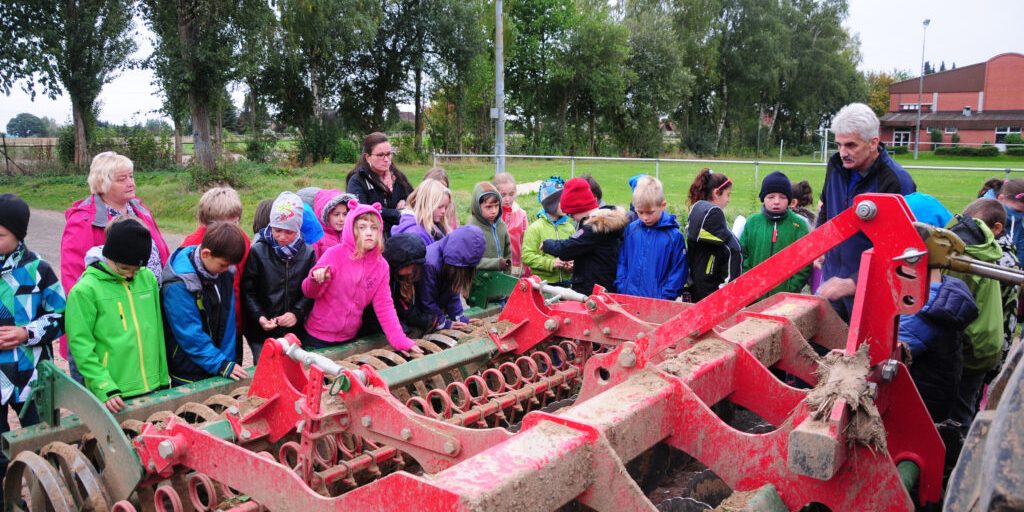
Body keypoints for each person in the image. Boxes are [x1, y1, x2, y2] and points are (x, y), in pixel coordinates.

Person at [60, 151, 170, 361]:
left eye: (131, 176)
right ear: (103, 183)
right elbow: (75, 279)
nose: (131, 183)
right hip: (114, 313)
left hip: (147, 303)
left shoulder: (139, 209)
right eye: (122, 179)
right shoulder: (84, 221)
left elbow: (160, 252)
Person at [816, 103, 916, 321]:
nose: (843, 153)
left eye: (851, 145)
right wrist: (820, 244)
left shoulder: (896, 182)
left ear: (873, 143)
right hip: (832, 280)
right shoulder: (835, 167)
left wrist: (853, 282)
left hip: (872, 291)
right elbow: (826, 207)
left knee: (864, 351)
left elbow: (901, 250)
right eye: (839, 145)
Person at [0, 194, 66, 502]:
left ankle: (47, 501)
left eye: (0, 234)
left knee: (42, 443)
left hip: (33, 377)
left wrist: (27, 333)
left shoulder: (39, 270)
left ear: (18, 235)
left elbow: (60, 315)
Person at [66, 217, 169, 411]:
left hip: (152, 385)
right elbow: (81, 346)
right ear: (109, 255)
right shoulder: (85, 290)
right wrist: (103, 385)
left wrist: (163, 377)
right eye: (124, 268)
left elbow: (157, 332)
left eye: (136, 269)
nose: (130, 274)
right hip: (115, 392)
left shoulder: (147, 278)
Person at [301, 201, 422, 353]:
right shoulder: (334, 254)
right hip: (318, 337)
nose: (369, 232)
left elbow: (385, 307)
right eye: (362, 227)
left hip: (349, 338)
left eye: (374, 228)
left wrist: (400, 340)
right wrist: (315, 280)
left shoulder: (381, 265)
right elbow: (309, 292)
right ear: (351, 229)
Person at [944, 200, 1005, 435]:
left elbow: (947, 310)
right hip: (987, 344)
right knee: (966, 404)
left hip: (973, 349)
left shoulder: (961, 256)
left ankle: (957, 461)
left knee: (955, 415)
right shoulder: (984, 248)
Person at [161, 222, 249, 385]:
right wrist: (220, 363)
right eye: (223, 265)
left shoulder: (224, 271)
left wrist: (227, 360)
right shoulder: (178, 285)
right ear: (206, 253)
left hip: (219, 363)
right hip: (189, 371)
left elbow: (228, 320)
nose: (226, 269)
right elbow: (189, 333)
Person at [241, 192, 316, 362]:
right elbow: (248, 290)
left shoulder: (308, 253)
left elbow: (310, 292)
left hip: (292, 330)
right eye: (277, 230)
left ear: (297, 229)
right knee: (264, 371)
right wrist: (259, 316)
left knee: (290, 371)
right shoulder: (258, 251)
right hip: (261, 331)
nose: (282, 237)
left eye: (289, 232)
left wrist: (297, 313)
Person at [180, 186, 250, 365]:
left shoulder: (242, 239)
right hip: (205, 326)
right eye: (226, 225)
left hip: (233, 323)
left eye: (236, 223)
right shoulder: (192, 246)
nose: (233, 229)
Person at [541, 177, 628, 295]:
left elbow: (567, 248)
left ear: (579, 208)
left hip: (593, 290)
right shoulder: (606, 223)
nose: (573, 219)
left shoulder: (594, 228)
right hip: (604, 285)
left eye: (571, 215)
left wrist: (547, 244)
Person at [738, 171, 811, 297]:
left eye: (782, 197)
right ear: (763, 199)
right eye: (771, 197)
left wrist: (790, 288)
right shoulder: (752, 223)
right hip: (753, 297)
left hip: (785, 299)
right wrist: (749, 284)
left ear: (789, 200)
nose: (776, 202)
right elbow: (743, 255)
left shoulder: (799, 225)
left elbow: (804, 261)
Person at [615, 176, 687, 300]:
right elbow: (623, 261)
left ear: (662, 205)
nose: (645, 217)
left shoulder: (674, 236)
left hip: (657, 303)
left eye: (650, 212)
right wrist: (622, 286)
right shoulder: (631, 230)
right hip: (628, 298)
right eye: (640, 212)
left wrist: (664, 297)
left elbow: (678, 272)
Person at [685, 168, 742, 302]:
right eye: (728, 194)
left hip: (696, 290)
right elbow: (733, 250)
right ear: (717, 193)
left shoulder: (695, 211)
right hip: (714, 294)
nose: (728, 200)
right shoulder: (713, 216)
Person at [417, 226, 486, 331]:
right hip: (420, 315)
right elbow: (427, 300)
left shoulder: (453, 259)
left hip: (435, 309)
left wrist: (459, 317)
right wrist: (443, 322)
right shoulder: (430, 264)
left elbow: (453, 290)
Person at [345, 132, 414, 236]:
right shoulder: (357, 181)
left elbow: (415, 201)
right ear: (368, 157)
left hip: (399, 235)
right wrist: (397, 213)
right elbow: (363, 212)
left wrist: (406, 206)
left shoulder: (398, 177)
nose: (386, 159)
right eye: (380, 155)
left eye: (389, 154)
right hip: (370, 238)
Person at [522, 177, 575, 286]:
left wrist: (573, 263)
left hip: (567, 283)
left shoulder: (570, 228)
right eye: (561, 201)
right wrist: (550, 263)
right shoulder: (535, 228)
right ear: (550, 203)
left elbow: (575, 251)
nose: (566, 203)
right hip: (544, 285)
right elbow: (527, 256)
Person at [382, 233, 435, 337]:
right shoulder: (384, 277)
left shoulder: (400, 277)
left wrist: (430, 321)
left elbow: (405, 307)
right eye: (409, 266)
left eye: (414, 266)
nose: (411, 271)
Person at [466, 182, 512, 271]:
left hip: (500, 278)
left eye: (496, 205)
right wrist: (497, 263)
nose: (494, 211)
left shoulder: (501, 225)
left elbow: (508, 253)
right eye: (488, 207)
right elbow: (470, 260)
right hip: (480, 280)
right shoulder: (471, 229)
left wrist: (508, 269)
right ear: (477, 207)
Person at [392, 178, 452, 247]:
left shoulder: (435, 225)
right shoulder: (415, 234)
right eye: (440, 207)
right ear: (426, 204)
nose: (443, 211)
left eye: (445, 207)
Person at [492, 172, 529, 275]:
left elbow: (526, 242)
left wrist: (527, 269)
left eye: (511, 194)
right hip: (495, 266)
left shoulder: (521, 214)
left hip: (516, 266)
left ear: (516, 192)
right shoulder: (491, 215)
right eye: (503, 195)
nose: (508, 199)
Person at [980, 178, 1024, 263]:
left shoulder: (1017, 220)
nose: (1021, 215)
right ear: (1001, 198)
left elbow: (1021, 249)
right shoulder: (981, 214)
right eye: (1018, 211)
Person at [311, 189, 357, 259]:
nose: (342, 219)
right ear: (325, 215)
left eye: (345, 214)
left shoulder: (351, 233)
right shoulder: (317, 238)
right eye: (336, 214)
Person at [424, 167, 460, 232]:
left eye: (443, 187)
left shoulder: (450, 206)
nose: (440, 190)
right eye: (435, 187)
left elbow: (453, 230)